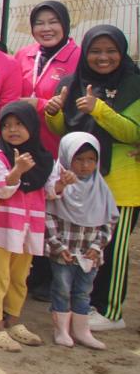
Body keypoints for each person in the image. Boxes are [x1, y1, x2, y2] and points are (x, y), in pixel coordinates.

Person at [45, 25, 139, 332]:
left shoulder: (134, 85)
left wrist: (100, 109)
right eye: (95, 51)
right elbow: (67, 132)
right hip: (82, 182)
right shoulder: (75, 83)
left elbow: (133, 132)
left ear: (122, 52)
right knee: (83, 243)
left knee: (113, 248)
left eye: (111, 51)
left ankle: (111, 311)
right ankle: (83, 306)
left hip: (121, 183)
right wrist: (54, 113)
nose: (103, 57)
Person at [0, 102, 65, 352]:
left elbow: (49, 191)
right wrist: (17, 171)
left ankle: (13, 320)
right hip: (4, 226)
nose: (13, 130)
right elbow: (0, 189)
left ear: (32, 126)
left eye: (19, 124)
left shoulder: (45, 159)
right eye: (7, 125)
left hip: (30, 227)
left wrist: (62, 184)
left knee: (20, 277)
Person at [44, 133, 115, 350]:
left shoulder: (100, 188)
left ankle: (82, 331)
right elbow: (48, 216)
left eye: (91, 160)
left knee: (84, 291)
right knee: (62, 289)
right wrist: (57, 245)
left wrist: (97, 247)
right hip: (64, 252)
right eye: (79, 159)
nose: (85, 166)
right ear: (67, 158)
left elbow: (110, 220)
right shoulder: (59, 185)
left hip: (89, 255)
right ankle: (61, 330)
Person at [14, 1, 79, 150]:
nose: (46, 28)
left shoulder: (80, 57)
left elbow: (82, 105)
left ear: (65, 24)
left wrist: (40, 105)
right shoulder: (23, 54)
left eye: (53, 22)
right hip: (20, 144)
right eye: (39, 23)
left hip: (59, 146)